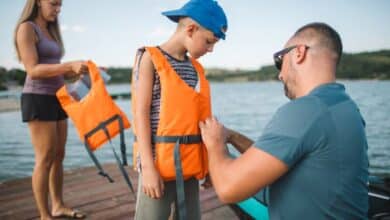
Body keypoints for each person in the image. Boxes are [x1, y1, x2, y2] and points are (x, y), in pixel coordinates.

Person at [199, 22, 369, 219]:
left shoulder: (306, 110)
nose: (280, 74)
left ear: (299, 53)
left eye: (280, 60)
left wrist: (215, 143)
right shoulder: (345, 106)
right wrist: (232, 137)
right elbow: (277, 157)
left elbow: (228, 189)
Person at [131, 0, 227, 219]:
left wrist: (211, 164)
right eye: (209, 42)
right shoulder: (150, 59)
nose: (210, 49)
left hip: (190, 165)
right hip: (158, 165)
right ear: (191, 29)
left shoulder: (196, 68)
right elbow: (140, 114)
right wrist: (148, 167)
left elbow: (200, 119)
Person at [14, 0, 87, 219]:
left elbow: (57, 71)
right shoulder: (27, 28)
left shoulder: (50, 30)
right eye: (53, 4)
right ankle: (45, 215)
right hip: (37, 97)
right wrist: (68, 65)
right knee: (44, 157)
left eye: (60, 6)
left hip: (58, 97)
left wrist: (83, 70)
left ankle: (58, 205)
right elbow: (33, 69)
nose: (57, 10)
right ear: (37, 2)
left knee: (59, 155)